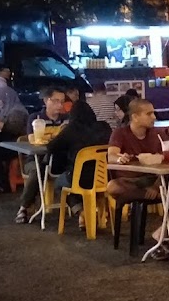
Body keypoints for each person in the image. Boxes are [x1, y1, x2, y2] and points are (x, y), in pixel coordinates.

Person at [106, 98, 169, 250]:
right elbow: (111, 155)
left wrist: (156, 185)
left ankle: (162, 230)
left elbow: (167, 161)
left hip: (156, 180)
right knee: (112, 187)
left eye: (153, 113)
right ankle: (148, 193)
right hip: (131, 182)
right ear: (135, 117)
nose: (154, 117)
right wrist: (120, 158)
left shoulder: (158, 134)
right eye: (149, 114)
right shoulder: (120, 133)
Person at [46, 101, 112, 222]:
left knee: (59, 184)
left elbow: (51, 147)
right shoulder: (104, 127)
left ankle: (81, 213)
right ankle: (96, 213)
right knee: (82, 182)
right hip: (105, 178)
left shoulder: (71, 129)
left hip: (79, 179)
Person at [14, 88, 70, 224]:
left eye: (62, 102)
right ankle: (24, 208)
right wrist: (55, 137)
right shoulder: (36, 118)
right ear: (46, 101)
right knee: (36, 171)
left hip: (57, 161)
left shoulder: (66, 120)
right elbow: (33, 139)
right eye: (56, 101)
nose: (60, 105)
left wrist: (50, 138)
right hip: (35, 160)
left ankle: (78, 209)